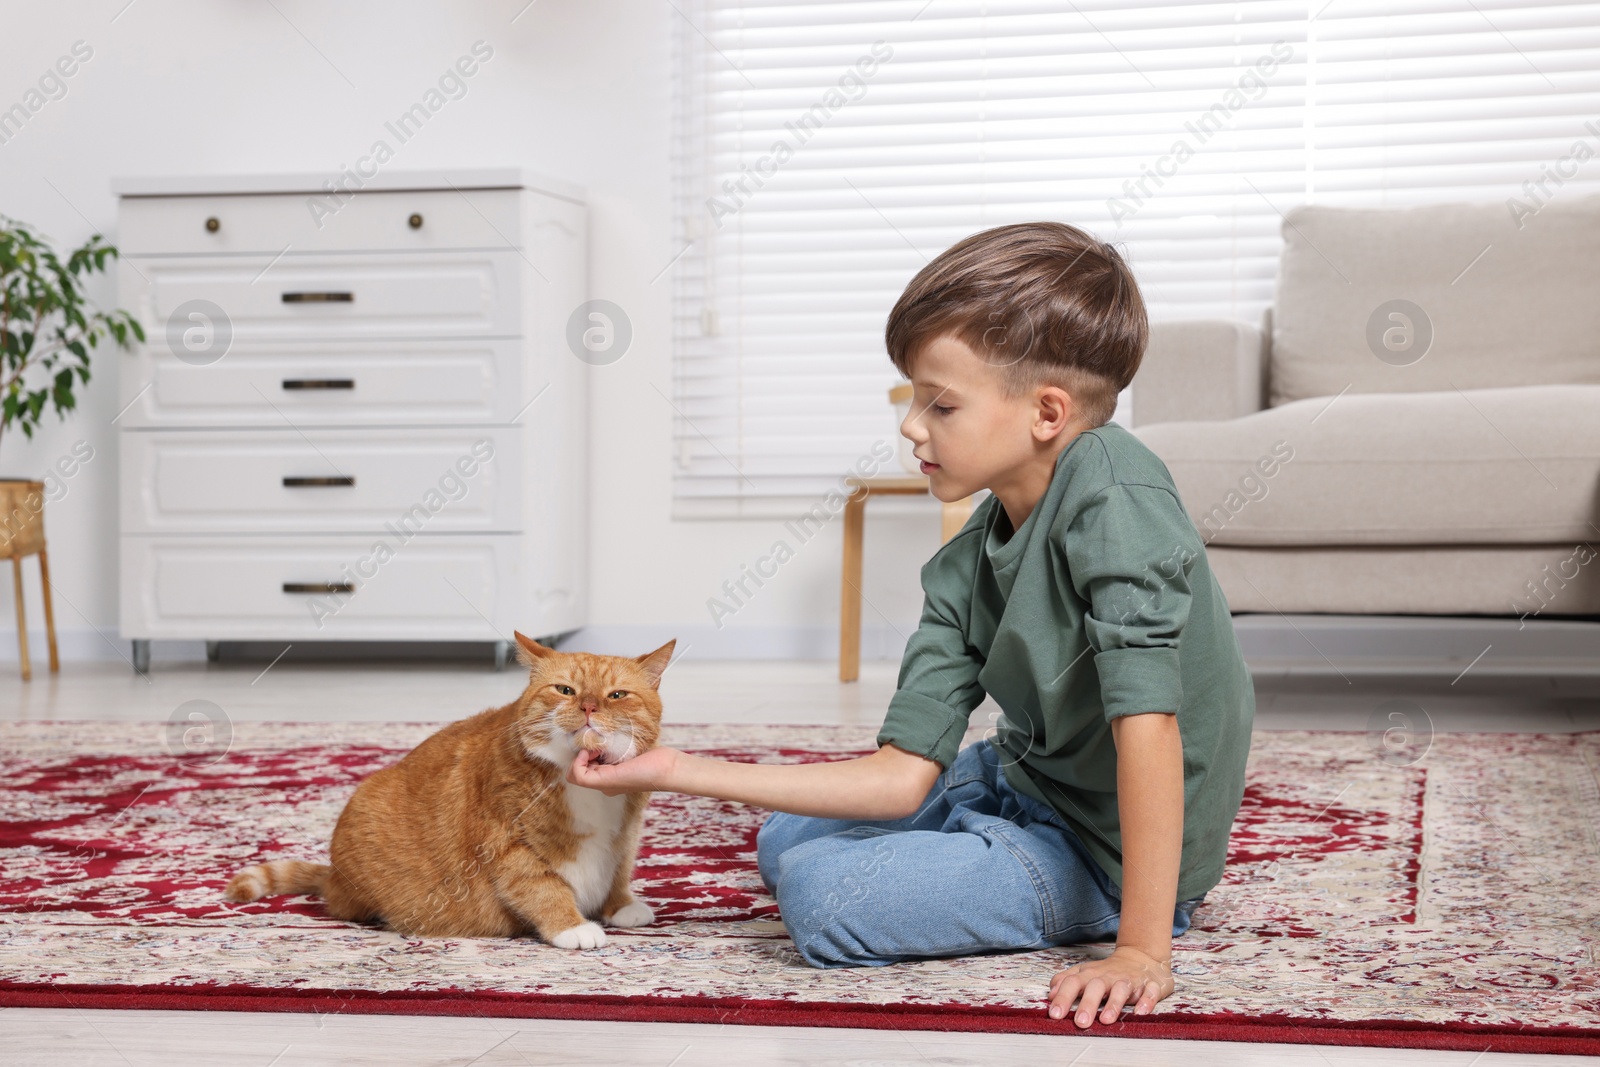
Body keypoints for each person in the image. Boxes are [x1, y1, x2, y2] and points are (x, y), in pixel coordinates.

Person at [568, 220, 1255, 1029]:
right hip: (1025, 781)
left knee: (825, 898)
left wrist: (1142, 948)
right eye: (911, 399)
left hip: (1107, 853)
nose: (911, 426)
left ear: (1046, 410)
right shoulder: (967, 558)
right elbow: (900, 775)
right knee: (782, 844)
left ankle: (1046, 879)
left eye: (941, 403)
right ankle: (976, 842)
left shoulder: (1118, 495)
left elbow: (1150, 726)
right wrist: (673, 765)